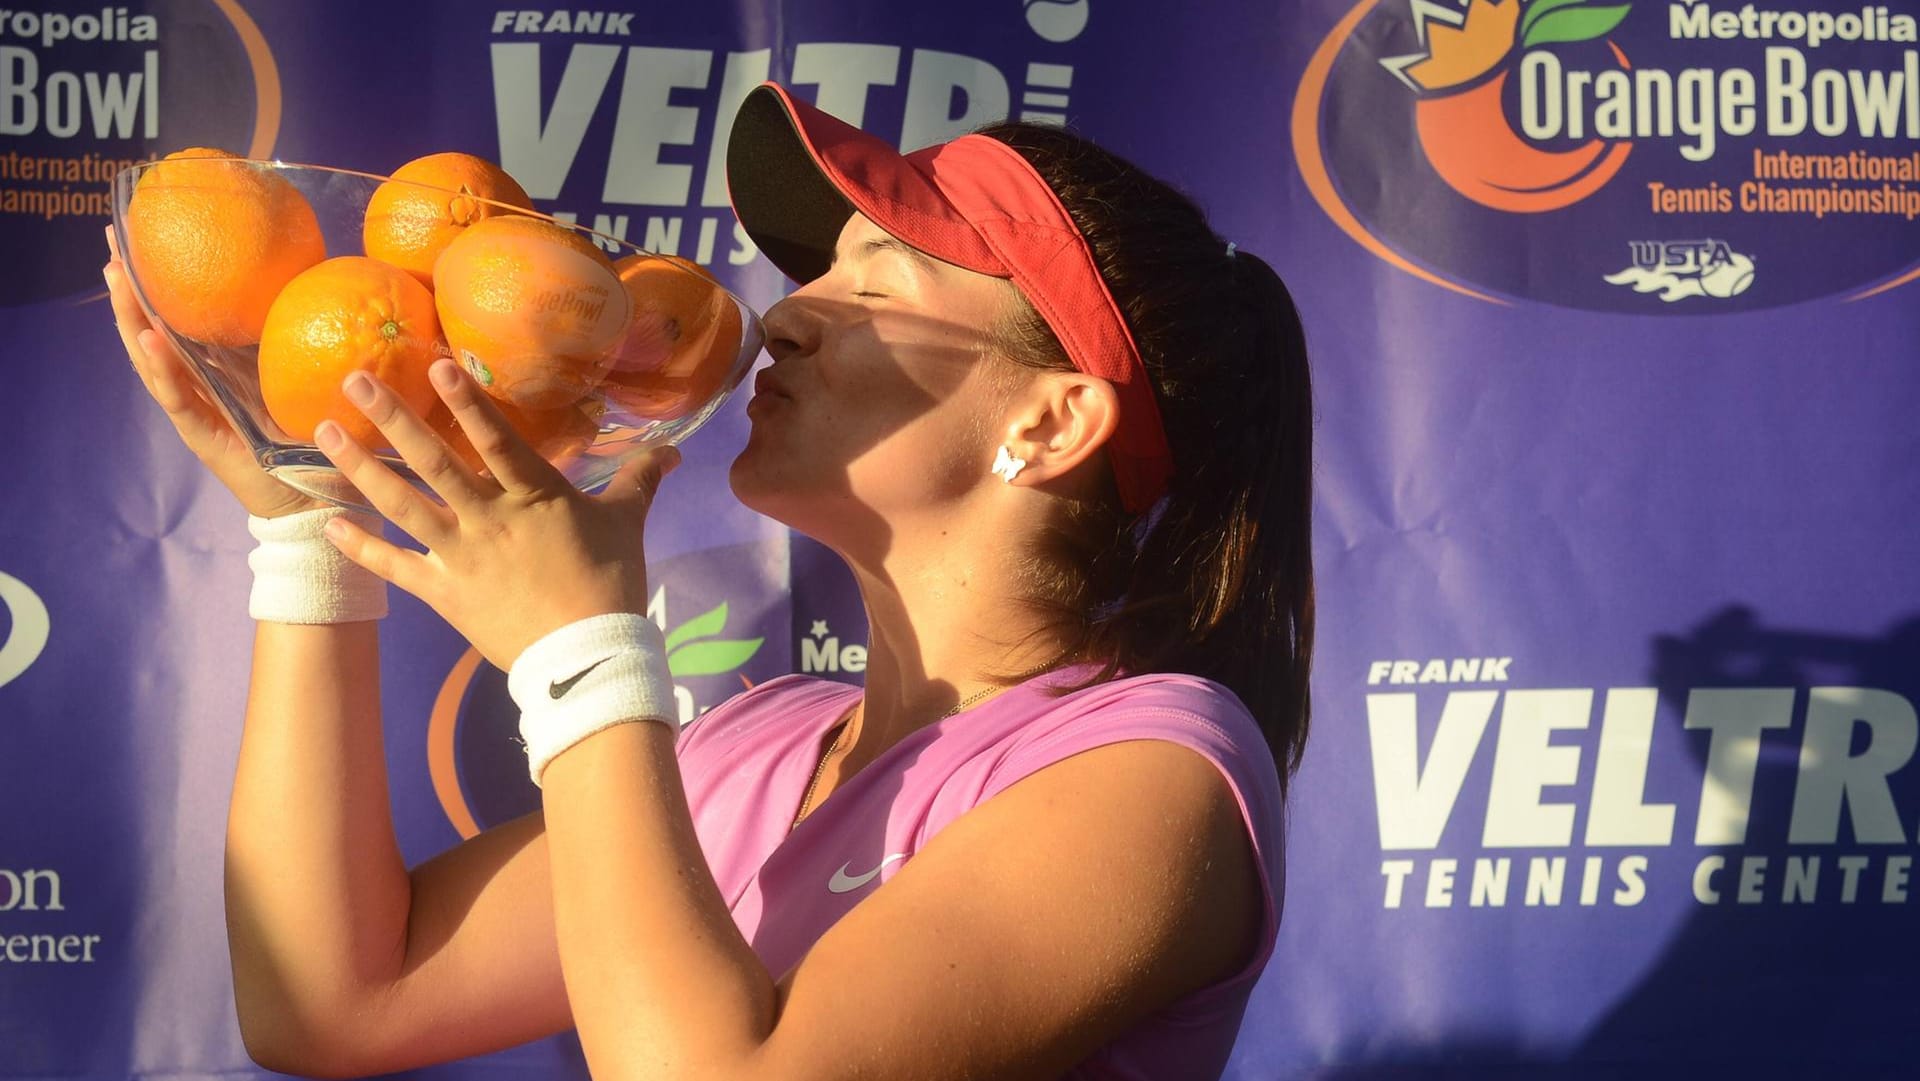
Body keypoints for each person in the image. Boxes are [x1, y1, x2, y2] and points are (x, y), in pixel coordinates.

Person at [101, 81, 1314, 1081]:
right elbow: (333, 1000)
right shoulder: (760, 741)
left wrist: (582, 656)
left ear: (1053, 425)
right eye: (819, 275)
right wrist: (307, 520)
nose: (787, 315)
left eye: (877, 283)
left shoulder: (1160, 772)